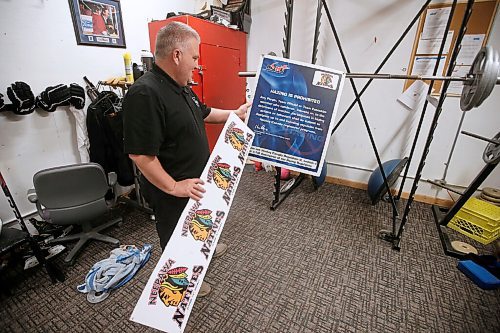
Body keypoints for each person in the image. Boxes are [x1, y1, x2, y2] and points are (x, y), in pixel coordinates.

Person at [123, 22, 251, 296]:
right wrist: (172, 186)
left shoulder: (178, 85)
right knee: (176, 238)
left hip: (195, 180)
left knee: (199, 224)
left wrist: (235, 114)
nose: (197, 63)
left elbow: (203, 112)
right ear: (177, 55)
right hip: (172, 189)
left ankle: (203, 252)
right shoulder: (145, 93)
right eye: (194, 57)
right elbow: (140, 154)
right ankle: (185, 282)